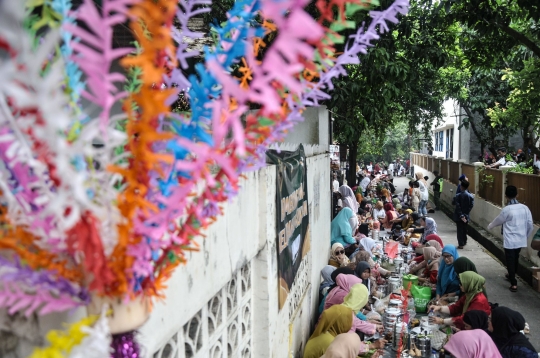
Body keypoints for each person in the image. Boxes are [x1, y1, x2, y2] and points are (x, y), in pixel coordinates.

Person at [487, 185, 533, 292]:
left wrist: (490, 226)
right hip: (520, 239)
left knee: (510, 260)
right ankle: (511, 275)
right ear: (517, 195)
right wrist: (525, 236)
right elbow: (530, 224)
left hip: (510, 240)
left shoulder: (507, 209)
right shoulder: (525, 208)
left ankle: (513, 283)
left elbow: (498, 220)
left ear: (506, 196)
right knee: (515, 258)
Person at [454, 180, 474, 249]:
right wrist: (465, 214)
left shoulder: (458, 196)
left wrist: (461, 215)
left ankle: (461, 244)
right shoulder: (470, 196)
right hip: (466, 215)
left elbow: (458, 206)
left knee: (459, 230)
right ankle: (464, 241)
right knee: (464, 229)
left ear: (461, 186)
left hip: (459, 216)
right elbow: (471, 206)